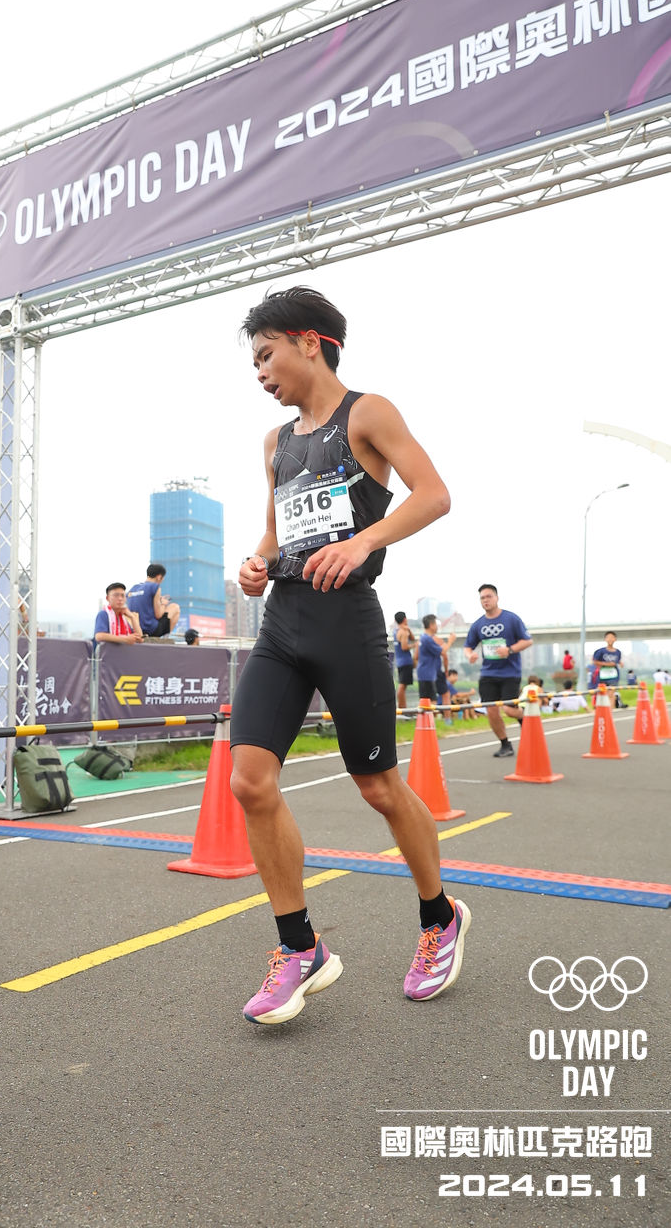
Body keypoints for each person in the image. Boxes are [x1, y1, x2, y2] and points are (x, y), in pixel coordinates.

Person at [230, 285, 469, 1026]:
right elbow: (276, 533)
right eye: (252, 362)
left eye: (265, 355)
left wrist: (364, 541)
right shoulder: (274, 443)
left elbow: (433, 495)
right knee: (249, 781)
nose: (259, 372)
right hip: (282, 624)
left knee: (379, 788)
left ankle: (439, 917)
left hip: (348, 624)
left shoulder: (368, 413)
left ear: (309, 342)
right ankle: (299, 946)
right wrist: (256, 564)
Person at [464, 583, 533, 757]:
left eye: (489, 596)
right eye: (482, 598)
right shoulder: (478, 625)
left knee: (509, 710)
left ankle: (526, 717)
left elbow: (527, 641)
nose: (485, 600)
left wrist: (509, 650)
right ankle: (505, 744)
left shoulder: (511, 619)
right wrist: (470, 655)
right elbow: (468, 646)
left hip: (510, 673)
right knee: (491, 710)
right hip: (488, 674)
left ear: (497, 598)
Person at [126, 564, 181, 638]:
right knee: (175, 607)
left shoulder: (133, 588)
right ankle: (165, 637)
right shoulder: (155, 587)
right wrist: (163, 604)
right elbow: (158, 615)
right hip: (151, 629)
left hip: (135, 629)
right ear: (159, 577)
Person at [414, 615, 455, 714]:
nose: (437, 627)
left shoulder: (422, 638)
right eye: (436, 624)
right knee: (431, 701)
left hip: (427, 673)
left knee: (428, 700)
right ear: (431, 625)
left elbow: (416, 656)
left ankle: (432, 721)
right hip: (427, 674)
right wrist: (450, 641)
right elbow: (443, 651)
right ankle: (429, 722)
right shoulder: (428, 639)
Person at [392, 611, 416, 710]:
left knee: (403, 685)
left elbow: (412, 637)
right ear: (405, 619)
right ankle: (403, 709)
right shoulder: (403, 632)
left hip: (400, 661)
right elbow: (404, 647)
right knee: (402, 686)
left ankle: (403, 709)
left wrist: (408, 629)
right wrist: (414, 645)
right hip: (406, 661)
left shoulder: (396, 631)